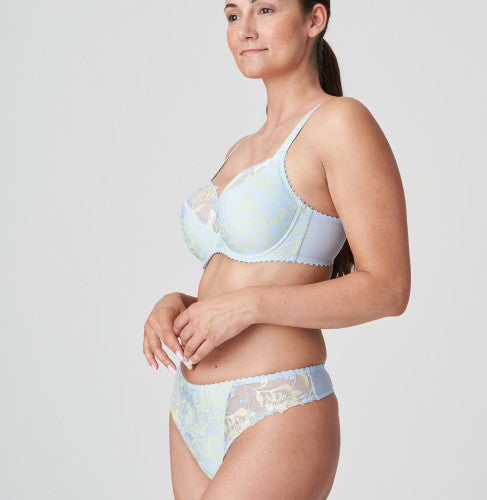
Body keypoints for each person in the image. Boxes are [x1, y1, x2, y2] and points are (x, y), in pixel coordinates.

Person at [143, 0, 411, 498]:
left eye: (265, 9)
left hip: (276, 406)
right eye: (232, 15)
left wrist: (248, 307)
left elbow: (389, 288)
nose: (245, 29)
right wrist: (177, 303)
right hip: (190, 408)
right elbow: (250, 273)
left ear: (314, 19)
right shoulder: (242, 149)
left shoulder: (341, 123)